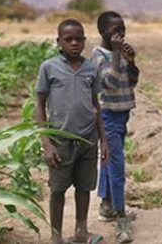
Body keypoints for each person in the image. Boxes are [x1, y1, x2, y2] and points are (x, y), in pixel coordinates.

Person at [35, 18, 109, 244]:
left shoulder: (90, 68)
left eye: (79, 39)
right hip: (61, 139)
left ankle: (81, 230)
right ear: (59, 42)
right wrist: (46, 143)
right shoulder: (49, 67)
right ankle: (56, 236)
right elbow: (39, 105)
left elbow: (95, 104)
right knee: (57, 189)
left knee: (84, 186)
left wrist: (103, 140)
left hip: (88, 139)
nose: (74, 43)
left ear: (85, 41)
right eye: (68, 39)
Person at [93, 11, 139, 244]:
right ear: (102, 32)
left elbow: (132, 81)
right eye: (115, 30)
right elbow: (108, 83)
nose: (120, 34)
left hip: (122, 114)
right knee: (116, 166)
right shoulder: (99, 55)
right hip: (108, 116)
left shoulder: (119, 53)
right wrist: (117, 54)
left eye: (122, 29)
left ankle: (107, 205)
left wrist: (130, 62)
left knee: (108, 162)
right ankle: (121, 219)